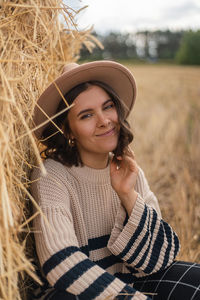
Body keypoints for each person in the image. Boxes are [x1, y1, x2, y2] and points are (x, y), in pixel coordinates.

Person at [30, 61, 200, 300]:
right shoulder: (52, 176)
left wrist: (127, 194)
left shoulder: (129, 171)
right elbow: (61, 263)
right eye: (86, 115)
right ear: (68, 131)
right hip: (81, 291)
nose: (104, 120)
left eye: (107, 107)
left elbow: (162, 257)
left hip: (131, 282)